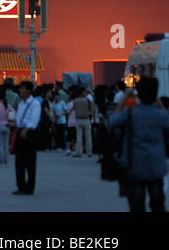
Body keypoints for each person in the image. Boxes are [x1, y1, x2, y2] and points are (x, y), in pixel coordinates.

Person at [108, 77, 169, 212]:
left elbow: (111, 121)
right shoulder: (161, 115)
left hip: (134, 165)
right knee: (158, 204)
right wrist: (157, 101)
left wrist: (125, 98)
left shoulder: (130, 113)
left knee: (136, 205)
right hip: (156, 165)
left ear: (138, 93)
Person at [13, 81, 42, 195]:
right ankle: (21, 186)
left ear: (29, 91)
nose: (20, 91)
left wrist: (27, 129)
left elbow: (34, 119)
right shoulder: (20, 103)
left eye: (23, 89)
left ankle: (29, 188)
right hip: (20, 131)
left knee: (30, 162)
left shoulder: (35, 103)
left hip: (30, 133)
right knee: (19, 161)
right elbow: (19, 116)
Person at [71, 86, 94, 157]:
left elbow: (73, 109)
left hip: (78, 120)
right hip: (86, 119)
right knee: (88, 136)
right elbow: (92, 109)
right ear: (82, 93)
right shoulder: (87, 100)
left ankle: (78, 152)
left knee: (79, 136)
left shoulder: (75, 100)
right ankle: (89, 152)